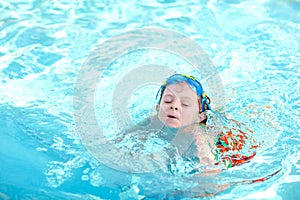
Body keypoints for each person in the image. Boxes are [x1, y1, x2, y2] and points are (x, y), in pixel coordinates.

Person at [154, 73, 257, 168]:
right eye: (168, 101)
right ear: (158, 108)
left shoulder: (197, 138)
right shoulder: (155, 122)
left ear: (200, 116)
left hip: (235, 152)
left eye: (185, 104)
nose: (174, 106)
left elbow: (210, 175)